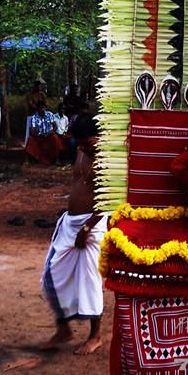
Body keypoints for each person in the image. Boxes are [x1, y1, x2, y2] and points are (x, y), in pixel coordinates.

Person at [39, 114, 106, 354]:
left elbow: (109, 199)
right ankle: (64, 329)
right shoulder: (81, 149)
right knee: (52, 273)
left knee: (89, 280)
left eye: (87, 142)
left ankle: (95, 335)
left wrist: (88, 228)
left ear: (99, 137)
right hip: (70, 223)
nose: (82, 147)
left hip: (93, 225)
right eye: (79, 143)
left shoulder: (108, 159)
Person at [25, 99, 63, 164]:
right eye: (39, 108)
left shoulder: (50, 114)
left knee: (55, 138)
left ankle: (57, 159)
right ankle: (28, 160)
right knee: (30, 139)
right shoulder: (34, 117)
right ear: (37, 109)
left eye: (43, 107)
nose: (41, 109)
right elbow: (32, 130)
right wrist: (38, 134)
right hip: (39, 137)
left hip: (49, 135)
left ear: (45, 107)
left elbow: (55, 126)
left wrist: (50, 132)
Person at [25, 80, 48, 144]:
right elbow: (30, 105)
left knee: (40, 131)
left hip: (41, 116)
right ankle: (28, 145)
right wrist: (39, 107)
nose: (39, 88)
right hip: (31, 115)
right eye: (37, 86)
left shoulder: (42, 94)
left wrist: (42, 109)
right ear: (34, 86)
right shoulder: (29, 95)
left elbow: (46, 105)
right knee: (29, 132)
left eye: (40, 86)